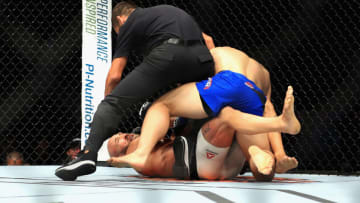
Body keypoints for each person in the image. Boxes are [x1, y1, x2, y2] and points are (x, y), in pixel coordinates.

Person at [55, 1, 214, 181]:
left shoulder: (129, 22)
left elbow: (115, 75)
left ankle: (87, 155)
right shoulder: (171, 12)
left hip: (169, 54)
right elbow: (208, 40)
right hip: (203, 60)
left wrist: (110, 104)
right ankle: (202, 152)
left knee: (113, 103)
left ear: (120, 20)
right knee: (198, 105)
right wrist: (213, 77)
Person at [109, 46, 301, 174]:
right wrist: (280, 153)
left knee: (163, 106)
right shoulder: (262, 72)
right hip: (253, 95)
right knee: (256, 149)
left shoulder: (213, 58)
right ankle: (270, 157)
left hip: (230, 83)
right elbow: (267, 107)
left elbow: (192, 95)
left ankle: (264, 152)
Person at [107, 116, 298, 181]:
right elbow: (163, 122)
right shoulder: (135, 149)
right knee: (228, 118)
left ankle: (265, 165)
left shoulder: (153, 147)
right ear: (120, 156)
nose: (124, 135)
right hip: (199, 162)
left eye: (120, 133)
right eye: (118, 141)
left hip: (217, 164)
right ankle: (270, 149)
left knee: (247, 118)